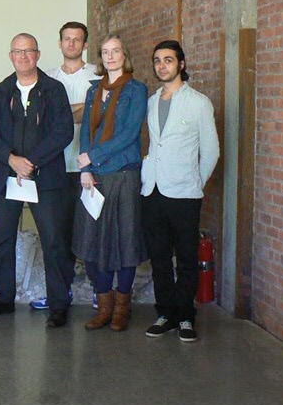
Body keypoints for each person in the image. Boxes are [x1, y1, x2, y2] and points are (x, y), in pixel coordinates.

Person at [0, 33, 74, 328]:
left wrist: (31, 162)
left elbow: (63, 132)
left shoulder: (54, 90)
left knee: (54, 241)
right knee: (4, 239)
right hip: (8, 176)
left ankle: (59, 303)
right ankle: (4, 298)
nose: (23, 56)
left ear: (38, 54)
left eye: (28, 51)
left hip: (44, 178)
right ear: (10, 56)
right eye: (17, 52)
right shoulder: (1, 91)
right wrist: (11, 159)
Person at [142, 41, 219, 342]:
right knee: (159, 257)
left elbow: (211, 150)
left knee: (185, 257)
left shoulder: (199, 102)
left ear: (181, 64)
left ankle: (185, 315)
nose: (162, 65)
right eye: (157, 60)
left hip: (185, 193)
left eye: (168, 60)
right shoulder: (151, 101)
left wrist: (194, 182)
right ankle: (165, 313)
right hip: (153, 190)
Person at [74, 33, 148, 332]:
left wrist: (93, 156)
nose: (111, 56)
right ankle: (103, 306)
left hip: (124, 173)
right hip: (95, 176)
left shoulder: (137, 89)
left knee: (125, 241)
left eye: (116, 51)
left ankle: (121, 308)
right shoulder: (94, 91)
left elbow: (129, 134)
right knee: (94, 243)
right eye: (105, 52)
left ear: (124, 54)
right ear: (100, 58)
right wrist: (85, 166)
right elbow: (86, 134)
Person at [30, 21, 100, 311]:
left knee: (93, 231)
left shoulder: (98, 74)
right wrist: (81, 108)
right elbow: (40, 118)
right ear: (59, 43)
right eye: (66, 39)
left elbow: (99, 112)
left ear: (85, 44)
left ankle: (101, 290)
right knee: (57, 235)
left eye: (77, 39)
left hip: (90, 168)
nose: (71, 44)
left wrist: (63, 112)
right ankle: (61, 292)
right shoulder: (46, 76)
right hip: (55, 168)